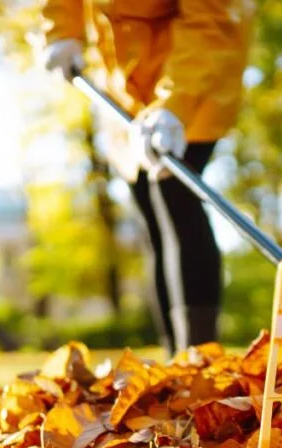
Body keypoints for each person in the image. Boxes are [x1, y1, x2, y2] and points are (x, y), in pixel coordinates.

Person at [39, 0, 253, 357]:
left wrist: (173, 106)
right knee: (150, 215)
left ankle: (198, 359)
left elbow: (208, 24)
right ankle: (176, 360)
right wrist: (61, 31)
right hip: (124, 85)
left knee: (173, 197)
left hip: (194, 76)